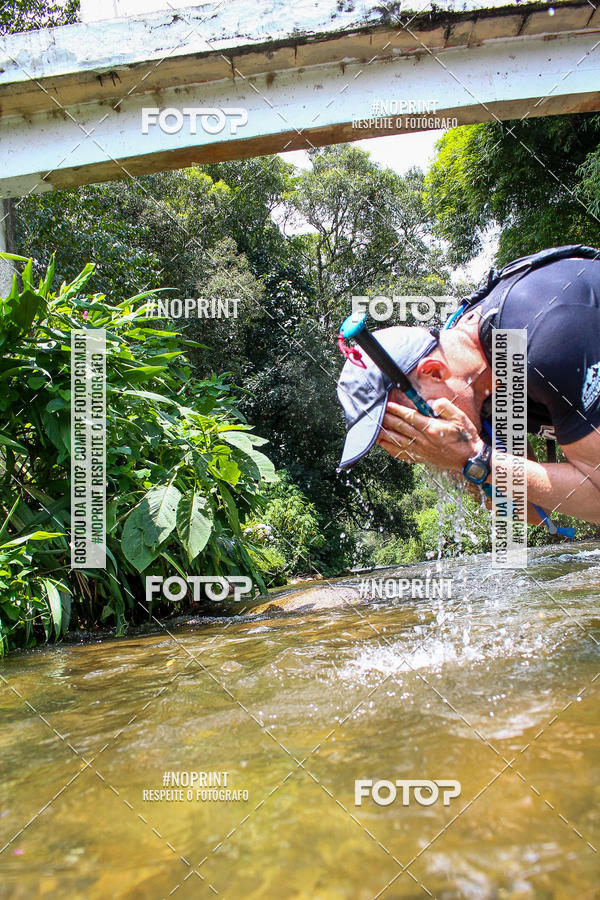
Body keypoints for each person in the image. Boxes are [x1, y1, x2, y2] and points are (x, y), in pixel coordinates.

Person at [336, 246, 600, 525]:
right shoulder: (479, 387)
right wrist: (457, 461)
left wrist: (477, 457)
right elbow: (530, 509)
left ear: (434, 373)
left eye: (410, 424)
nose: (415, 449)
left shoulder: (542, 340)